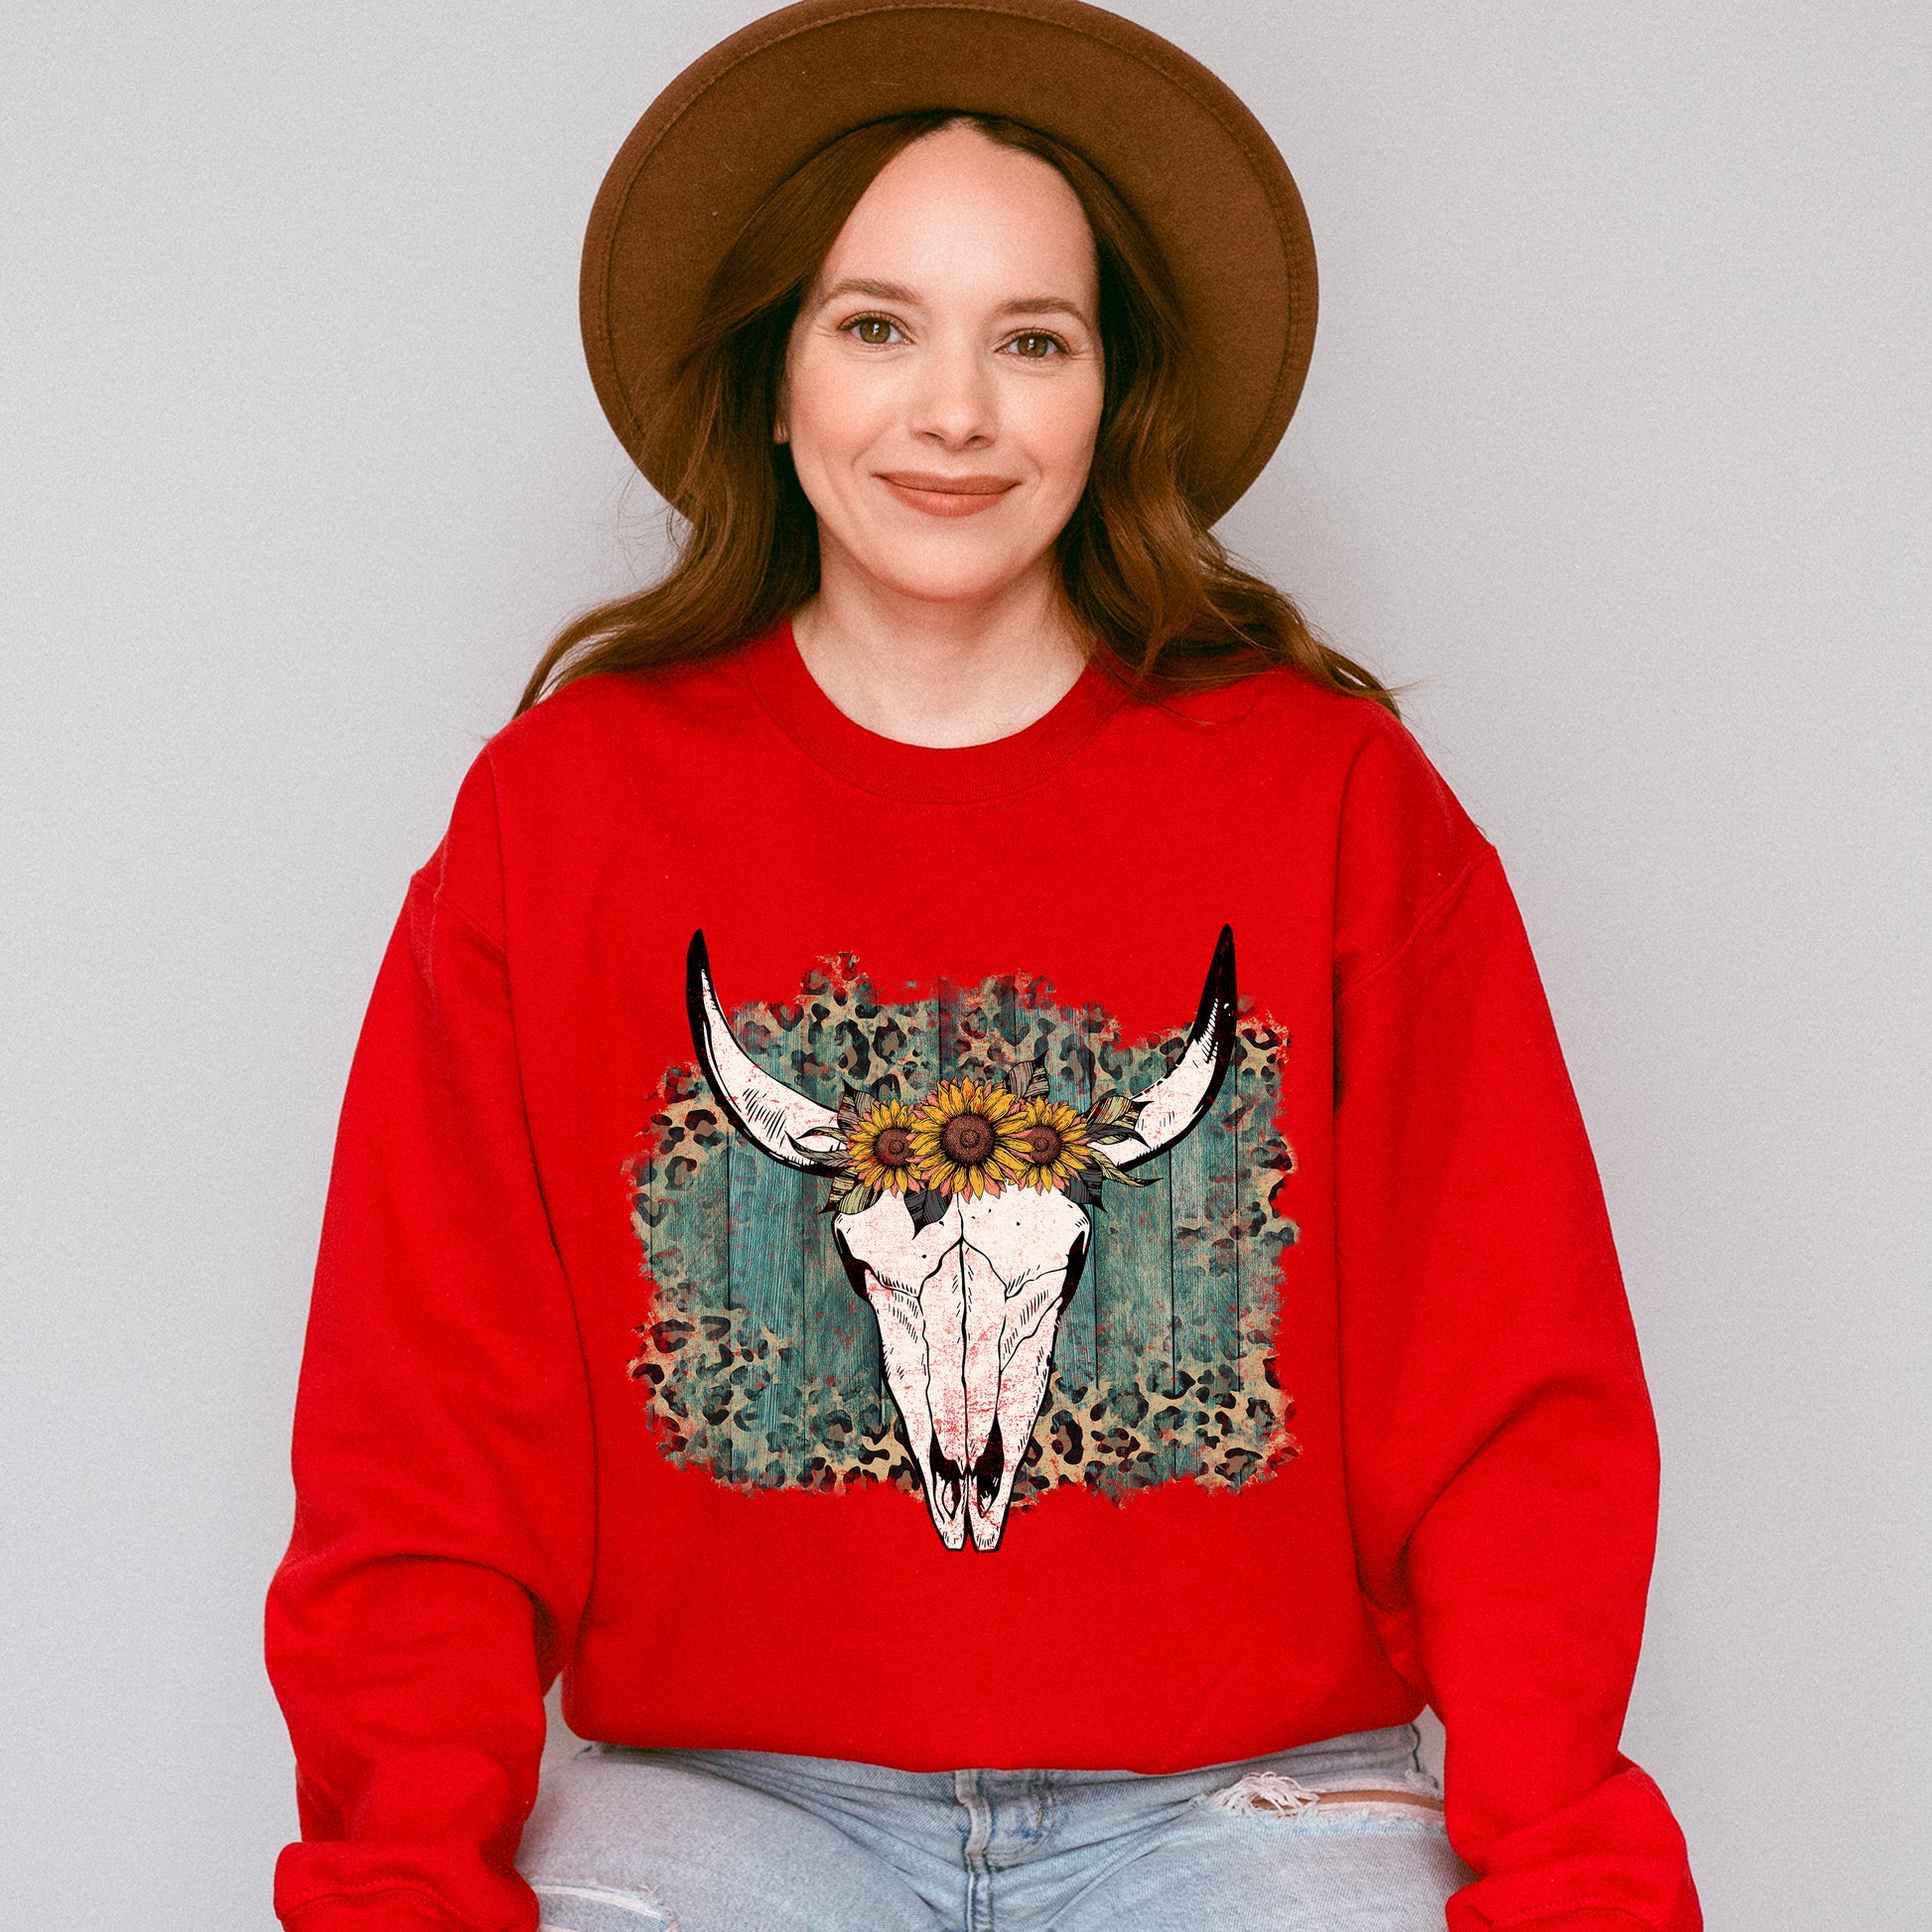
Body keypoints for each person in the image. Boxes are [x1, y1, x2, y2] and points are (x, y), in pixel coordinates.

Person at [265, 2, 1700, 1928]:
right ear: (773, 377)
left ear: (1111, 395)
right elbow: (422, 1438)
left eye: (1032, 339)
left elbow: (1514, 1396)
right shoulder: (564, 814)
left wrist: (1570, 1874)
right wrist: (402, 1882)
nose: (954, 411)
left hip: (1253, 1800)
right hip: (724, 1801)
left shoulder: (1333, 801)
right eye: (877, 327)